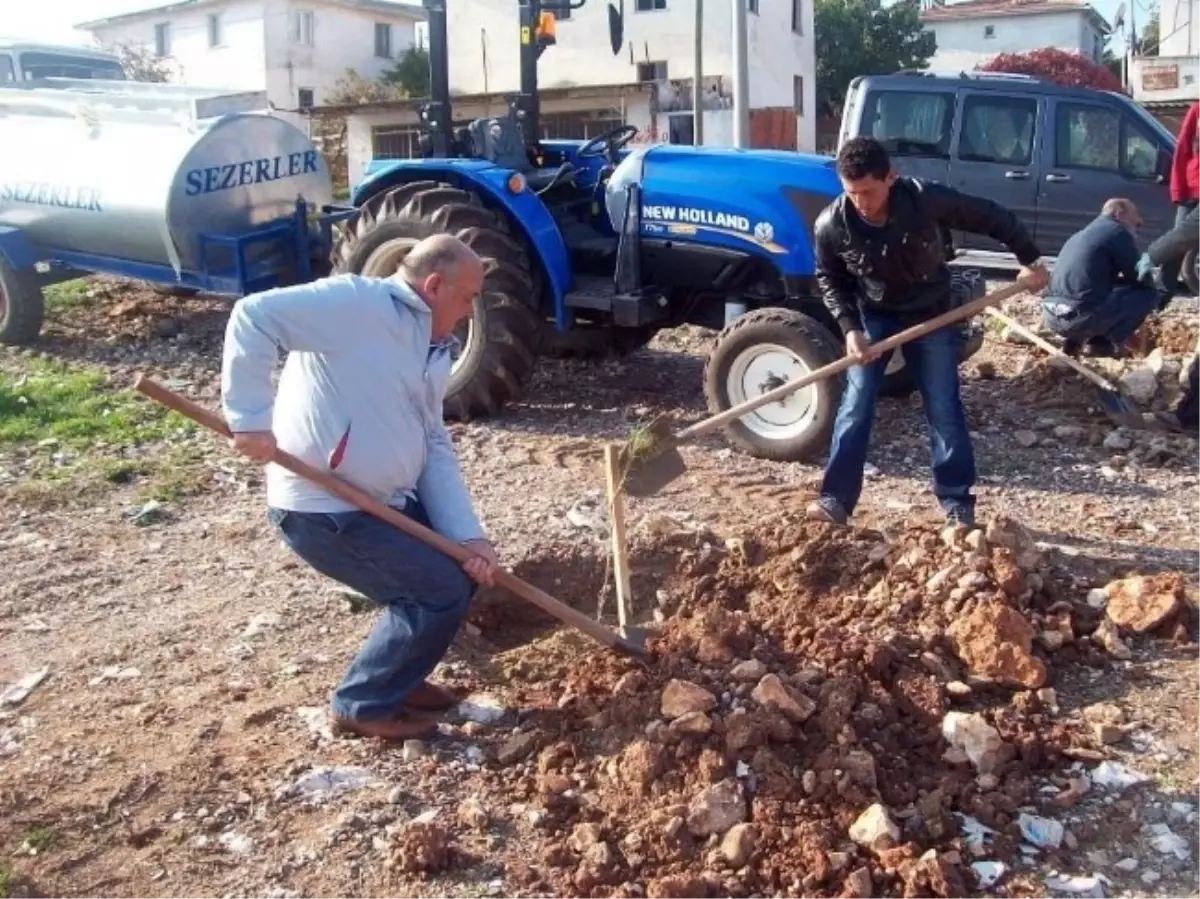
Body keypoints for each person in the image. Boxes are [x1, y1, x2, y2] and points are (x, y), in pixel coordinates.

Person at [221, 234, 499, 741]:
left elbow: (434, 442)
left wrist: (468, 536)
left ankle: (402, 678)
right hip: (325, 506)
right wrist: (250, 418)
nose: (467, 312)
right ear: (435, 285)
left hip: (384, 499)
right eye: (467, 299)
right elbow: (253, 315)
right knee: (434, 592)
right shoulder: (354, 304)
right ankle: (362, 702)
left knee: (458, 573)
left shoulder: (432, 350)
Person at [805, 136, 1049, 530]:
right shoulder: (832, 224)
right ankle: (836, 500)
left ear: (891, 178)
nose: (861, 203)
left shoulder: (924, 199)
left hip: (930, 311)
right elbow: (829, 279)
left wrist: (1030, 260)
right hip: (876, 315)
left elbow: (991, 216)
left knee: (943, 406)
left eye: (869, 192)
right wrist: (850, 329)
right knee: (857, 403)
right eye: (852, 193)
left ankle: (957, 504)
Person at [1041, 199, 1165, 358]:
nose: (1139, 221)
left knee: (1093, 291)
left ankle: (1073, 343)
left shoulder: (1080, 234)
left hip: (1051, 315)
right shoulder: (1117, 232)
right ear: (1119, 214)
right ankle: (1102, 343)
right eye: (1135, 218)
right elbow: (1139, 277)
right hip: (1078, 318)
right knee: (1149, 293)